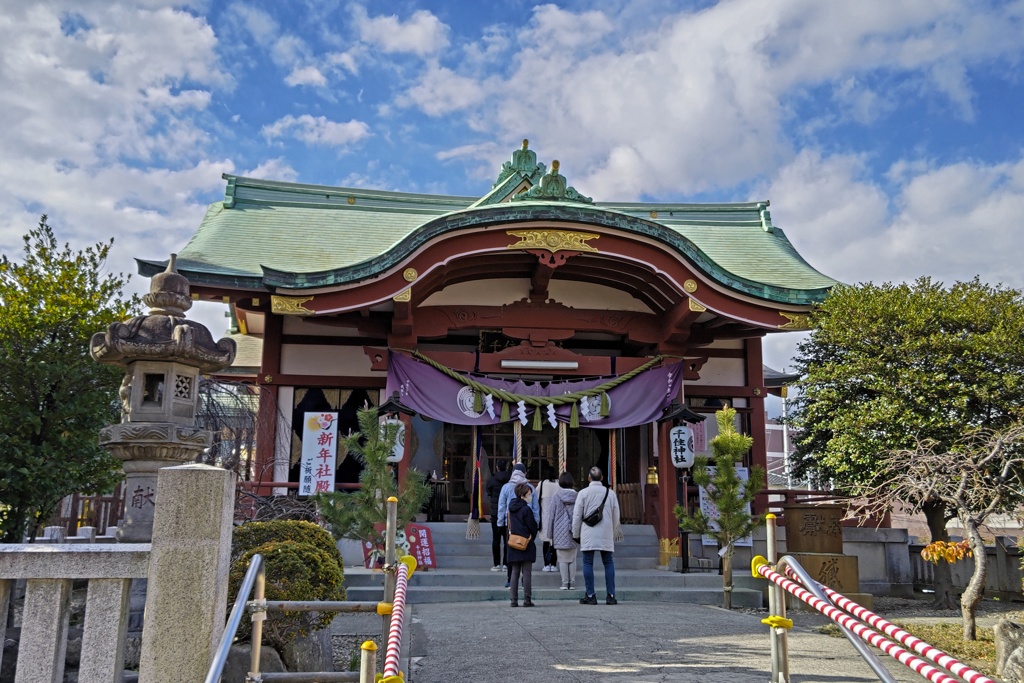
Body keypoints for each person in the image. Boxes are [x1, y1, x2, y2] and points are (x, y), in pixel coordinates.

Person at [571, 466, 621, 605]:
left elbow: (577, 515)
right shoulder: (610, 493)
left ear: (588, 478)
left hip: (588, 530)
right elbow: (616, 515)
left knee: (588, 562)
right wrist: (614, 530)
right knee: (608, 562)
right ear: (602, 478)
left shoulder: (583, 493)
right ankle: (610, 595)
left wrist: (575, 533)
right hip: (606, 530)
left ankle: (591, 595)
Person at [497, 463, 538, 588]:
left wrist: (500, 522)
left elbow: (501, 506)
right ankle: (524, 582)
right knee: (525, 551)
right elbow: (535, 508)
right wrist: (536, 523)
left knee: (511, 550)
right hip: (527, 523)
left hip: (510, 524)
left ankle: (510, 579)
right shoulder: (530, 488)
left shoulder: (506, 487)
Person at [544, 471, 579, 590]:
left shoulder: (556, 497)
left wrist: (549, 534)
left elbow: (551, 516)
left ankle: (565, 582)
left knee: (562, 559)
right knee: (572, 558)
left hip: (559, 532)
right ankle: (572, 582)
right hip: (573, 531)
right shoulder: (577, 497)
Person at [506, 482, 538, 607]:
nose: (530, 496)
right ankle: (527, 599)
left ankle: (513, 600)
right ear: (522, 495)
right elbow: (532, 526)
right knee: (527, 572)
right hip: (526, 542)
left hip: (513, 542)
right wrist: (532, 536)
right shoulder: (526, 509)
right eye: (529, 494)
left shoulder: (511, 508)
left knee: (515, 572)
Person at [485, 460, 511, 571]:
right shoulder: (510, 479)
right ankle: (506, 563)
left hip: (496, 512)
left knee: (496, 538)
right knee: (507, 539)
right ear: (506, 467)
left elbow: (488, 491)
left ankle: (496, 564)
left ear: (496, 467)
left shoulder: (492, 479)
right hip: (508, 513)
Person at [535, 464, 558, 572]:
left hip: (544, 516)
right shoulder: (558, 484)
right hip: (556, 516)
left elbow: (535, 497)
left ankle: (546, 563)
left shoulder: (542, 484)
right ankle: (553, 563)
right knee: (554, 541)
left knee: (545, 541)